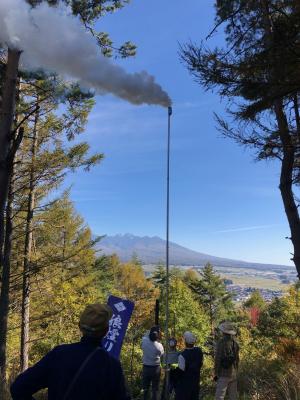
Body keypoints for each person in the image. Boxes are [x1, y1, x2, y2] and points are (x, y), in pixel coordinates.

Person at [11, 303, 130, 400]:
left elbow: (18, 388)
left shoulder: (59, 354)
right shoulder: (111, 366)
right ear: (106, 331)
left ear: (79, 326)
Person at [214, 321, 239, 400]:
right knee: (233, 397)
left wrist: (216, 372)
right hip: (233, 373)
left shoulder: (221, 343)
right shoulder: (235, 343)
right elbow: (237, 359)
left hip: (223, 373)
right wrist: (236, 370)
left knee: (219, 397)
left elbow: (218, 359)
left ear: (223, 332)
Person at [175, 331, 203, 400]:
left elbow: (180, 372)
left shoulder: (182, 356)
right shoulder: (199, 351)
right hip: (195, 383)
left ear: (185, 342)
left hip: (185, 386)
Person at [141, 326, 164, 400]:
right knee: (155, 389)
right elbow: (161, 354)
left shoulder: (144, 341)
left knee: (145, 388)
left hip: (146, 367)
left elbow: (146, 334)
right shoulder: (159, 346)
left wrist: (152, 330)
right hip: (156, 368)